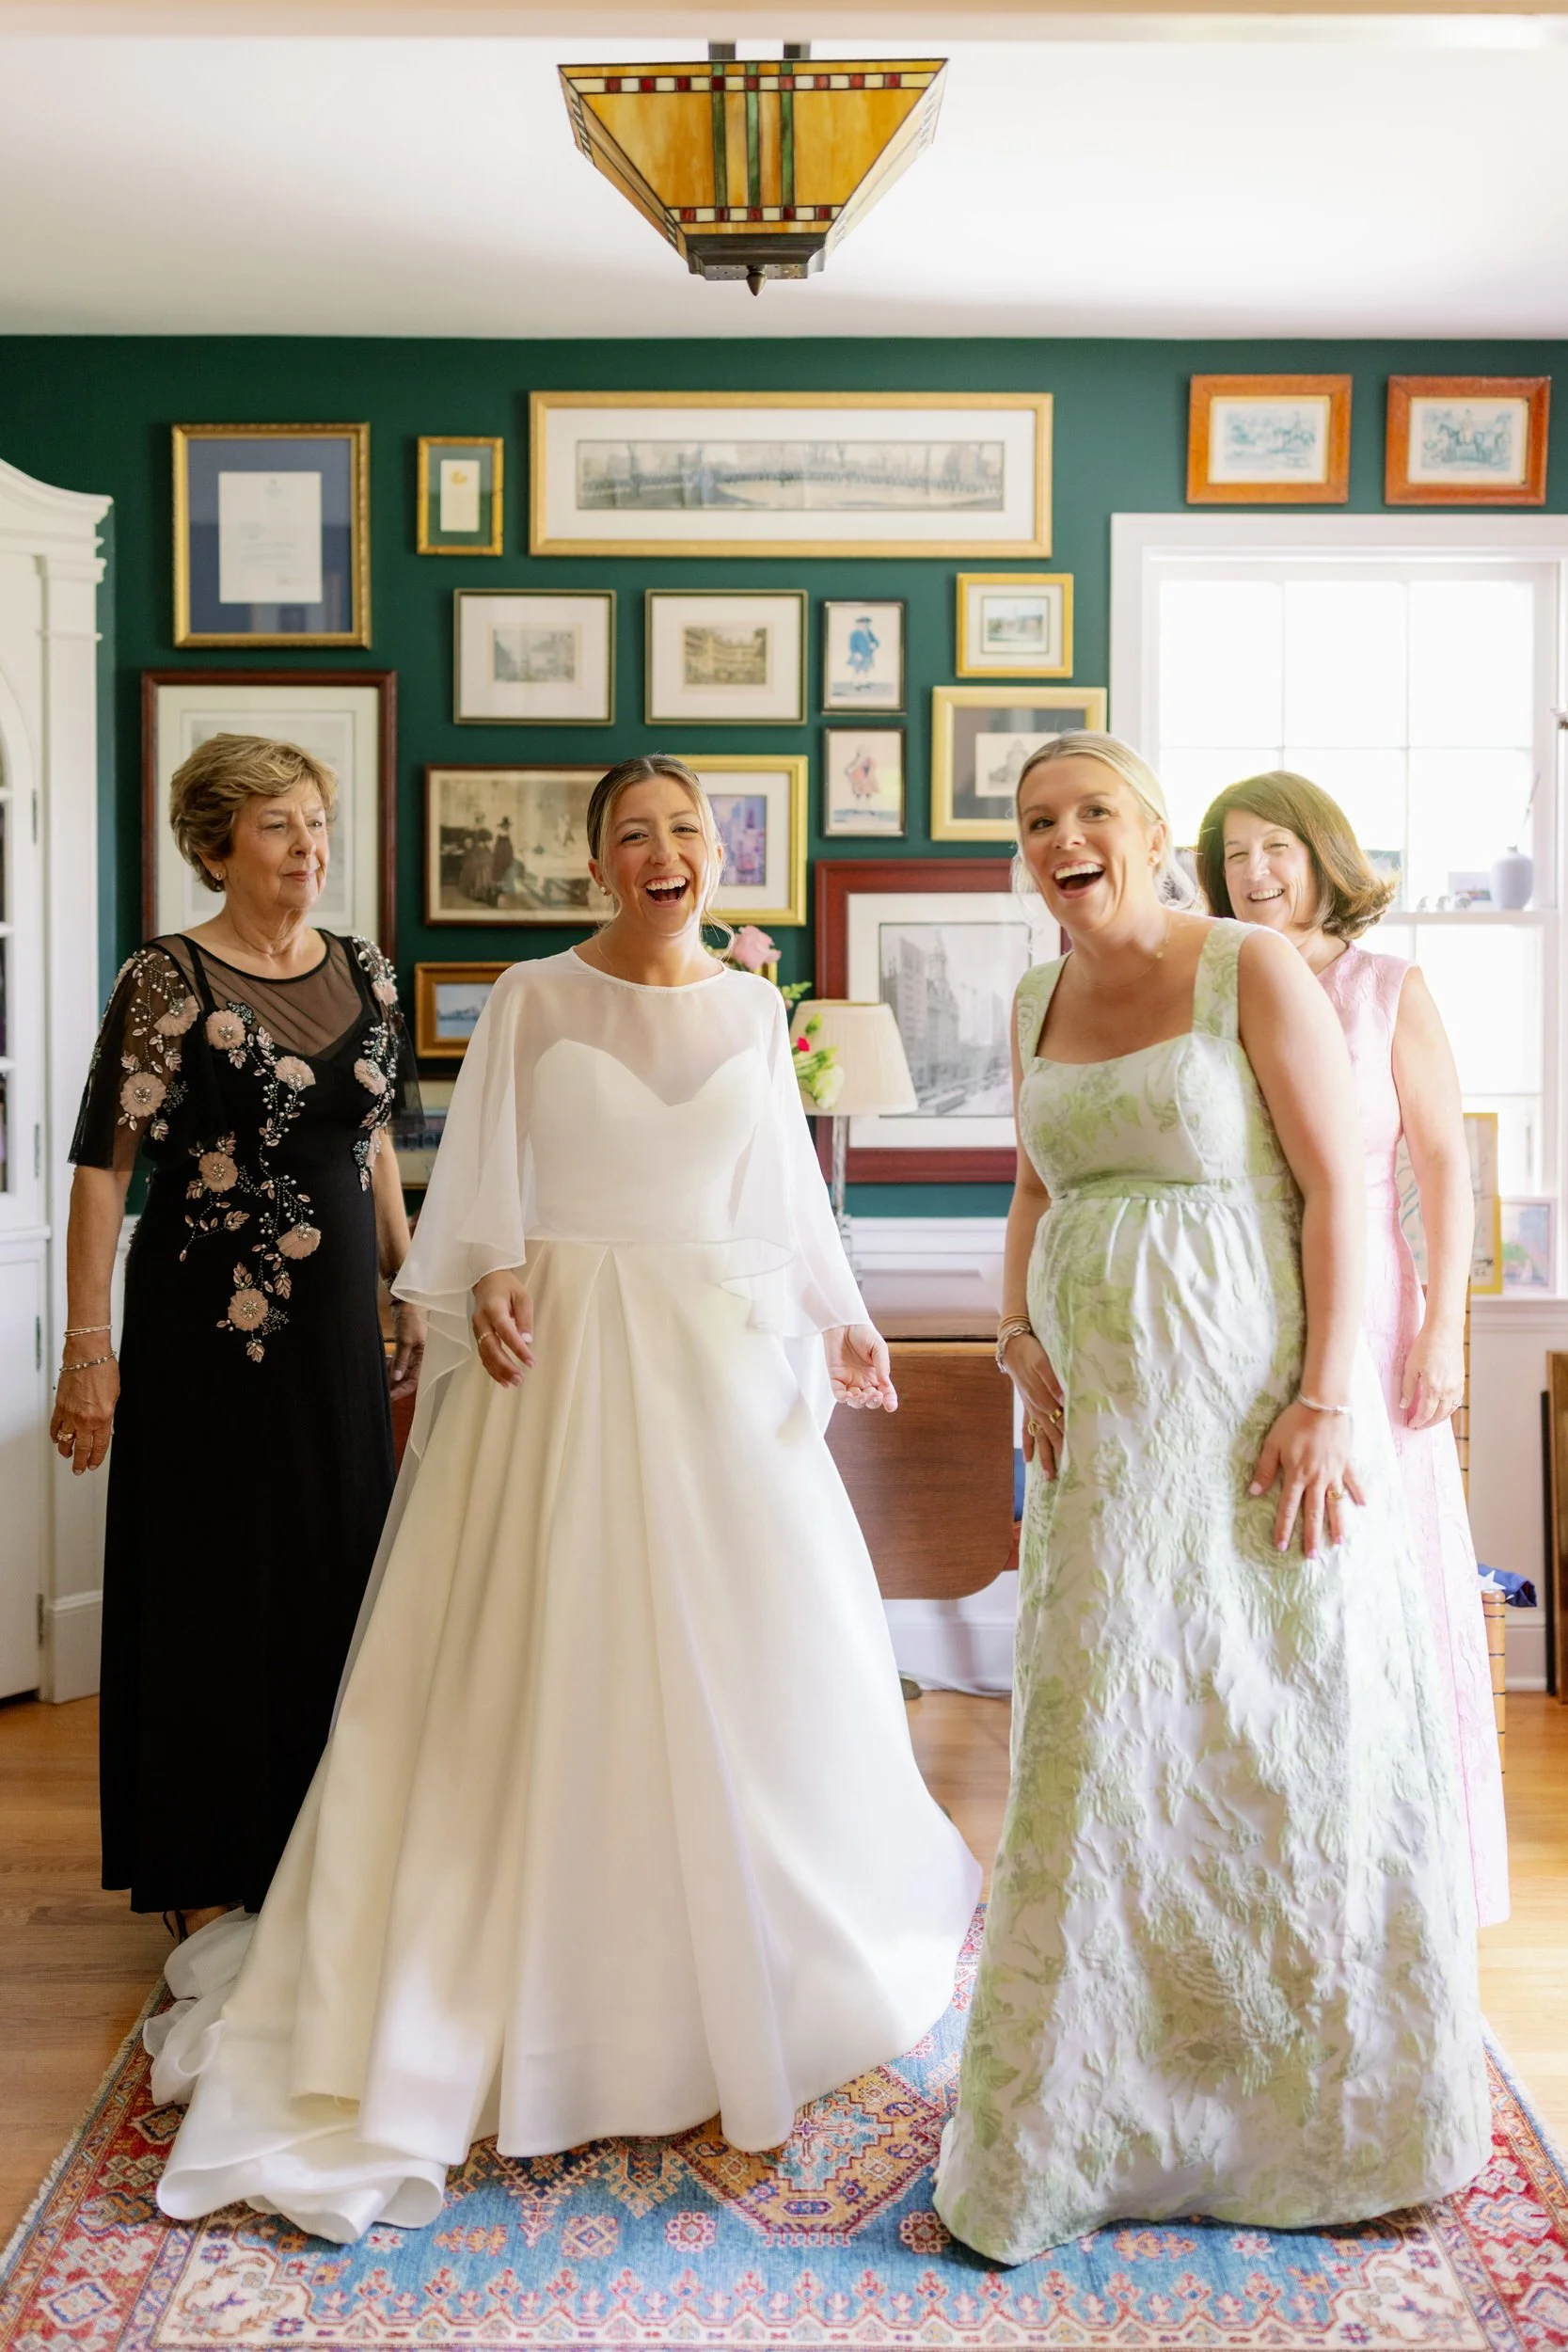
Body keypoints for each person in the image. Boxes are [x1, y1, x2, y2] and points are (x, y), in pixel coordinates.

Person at [149, 755, 980, 2243]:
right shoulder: (532, 996)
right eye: (631, 834)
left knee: (751, 1671)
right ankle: (522, 1981)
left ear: (713, 855)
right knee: (543, 1662)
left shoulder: (746, 1008)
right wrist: (501, 1269)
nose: (663, 851)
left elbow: (782, 1198)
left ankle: (757, 1964)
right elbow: (481, 1182)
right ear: (596, 864)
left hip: (716, 1375)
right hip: (570, 1363)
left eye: (685, 829)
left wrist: (842, 1315)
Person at [934, 732, 1489, 2263]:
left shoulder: (1245, 965)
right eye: (1036, 819)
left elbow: (1338, 1187)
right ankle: (1085, 2118)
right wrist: (1017, 1340)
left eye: (1090, 810)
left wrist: (1327, 1398)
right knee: (1111, 1740)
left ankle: (1318, 2126)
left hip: (1254, 1428)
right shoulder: (1037, 997)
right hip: (1101, 1446)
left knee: (1268, 1734)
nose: (1063, 836)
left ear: (1152, 829)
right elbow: (1035, 1187)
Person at [55, 734, 421, 1937]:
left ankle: (326, 1845)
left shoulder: (369, 971)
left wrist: (405, 1281)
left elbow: (371, 1146)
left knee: (336, 1569)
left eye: (316, 821)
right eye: (279, 826)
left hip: (334, 1343)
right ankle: (203, 1860)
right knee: (211, 1578)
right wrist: (88, 1349)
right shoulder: (164, 980)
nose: (309, 846)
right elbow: (105, 1175)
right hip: (204, 1331)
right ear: (215, 846)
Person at [1196, 770, 1508, 1927]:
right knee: (1264, 1555)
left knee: (1380, 1563)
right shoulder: (1214, 981)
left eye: (1274, 848)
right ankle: (1277, 1845)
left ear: (1323, 855)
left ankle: (1405, 1852)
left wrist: (1443, 1331)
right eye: (1233, 856)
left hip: (1373, 1314)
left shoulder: (1384, 987)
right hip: (1239, 1305)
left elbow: (1441, 1169)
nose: (1254, 874)